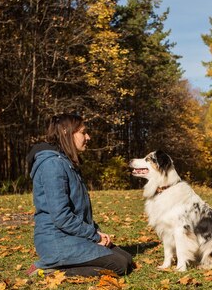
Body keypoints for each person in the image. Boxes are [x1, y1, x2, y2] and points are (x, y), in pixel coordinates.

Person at [26, 113, 133, 277]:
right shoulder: (52, 165)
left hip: (73, 236)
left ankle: (63, 263)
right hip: (56, 240)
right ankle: (49, 270)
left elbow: (78, 210)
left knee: (127, 258)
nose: (88, 137)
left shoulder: (66, 163)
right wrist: (93, 236)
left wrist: (96, 232)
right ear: (65, 132)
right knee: (119, 265)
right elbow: (61, 216)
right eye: (83, 132)